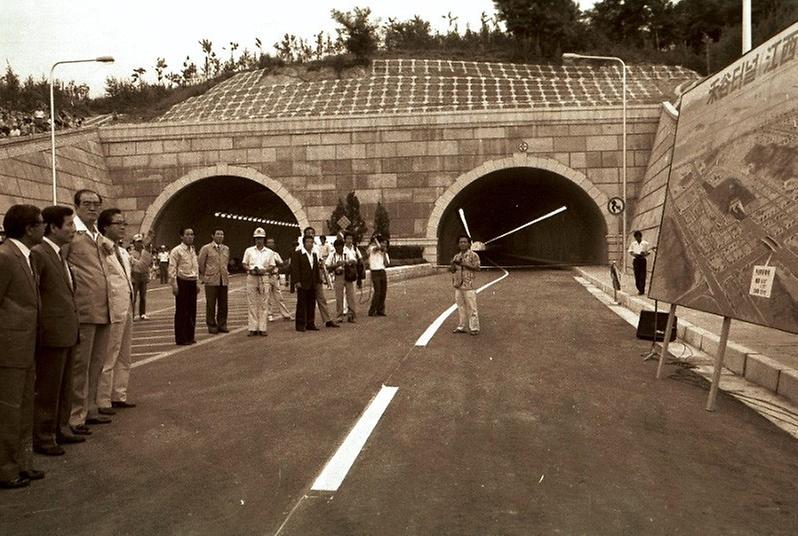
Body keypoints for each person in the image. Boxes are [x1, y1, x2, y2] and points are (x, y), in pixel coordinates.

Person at [30, 206, 83, 457]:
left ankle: (61, 427)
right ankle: (43, 435)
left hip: (67, 330)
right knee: (49, 387)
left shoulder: (59, 254)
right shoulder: (40, 254)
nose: (73, 229)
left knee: (64, 384)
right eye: (69, 224)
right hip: (52, 332)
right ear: (53, 227)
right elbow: (35, 294)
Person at [0, 205, 45, 489]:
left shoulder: (25, 256)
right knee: (8, 410)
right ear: (29, 229)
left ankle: (22, 462)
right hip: (9, 348)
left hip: (25, 346)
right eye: (40, 223)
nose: (44, 228)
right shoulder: (5, 257)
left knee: (24, 406)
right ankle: (6, 469)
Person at [67, 189, 112, 433]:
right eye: (87, 204)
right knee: (80, 365)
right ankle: (75, 416)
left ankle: (91, 408)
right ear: (76, 206)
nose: (92, 208)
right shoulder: (72, 234)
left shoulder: (96, 235)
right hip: (83, 307)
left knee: (96, 362)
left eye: (96, 204)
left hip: (103, 307)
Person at [96, 209, 136, 415]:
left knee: (124, 354)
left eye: (124, 224)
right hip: (112, 309)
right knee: (109, 355)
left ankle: (119, 394)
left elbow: (138, 270)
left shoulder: (122, 251)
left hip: (127, 306)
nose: (122, 227)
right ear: (105, 227)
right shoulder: (100, 249)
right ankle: (103, 400)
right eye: (117, 223)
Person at [297, 227, 338, 328]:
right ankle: (305, 322)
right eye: (309, 233)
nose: (311, 234)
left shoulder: (317, 248)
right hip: (305, 277)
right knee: (306, 301)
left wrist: (323, 274)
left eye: (313, 233)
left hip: (316, 275)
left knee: (321, 298)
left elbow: (320, 262)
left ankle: (327, 319)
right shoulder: (299, 249)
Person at [169, 228, 199, 345]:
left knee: (192, 310)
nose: (190, 237)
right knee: (182, 311)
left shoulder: (192, 250)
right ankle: (181, 337)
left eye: (192, 234)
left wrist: (197, 282)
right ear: (181, 236)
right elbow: (172, 268)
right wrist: (174, 285)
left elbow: (195, 267)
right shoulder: (177, 251)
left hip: (192, 281)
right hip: (182, 281)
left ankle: (190, 336)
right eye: (187, 234)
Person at [242, 227, 274, 336]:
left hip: (264, 277)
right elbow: (244, 264)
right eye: (256, 238)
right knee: (252, 303)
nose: (258, 240)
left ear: (264, 239)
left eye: (260, 238)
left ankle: (262, 328)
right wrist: (250, 270)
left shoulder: (269, 252)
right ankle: (252, 328)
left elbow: (272, 266)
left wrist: (264, 270)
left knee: (263, 303)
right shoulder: (249, 250)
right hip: (252, 277)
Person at [197, 228, 229, 334]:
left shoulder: (226, 249)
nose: (220, 236)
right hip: (211, 280)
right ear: (213, 236)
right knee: (211, 304)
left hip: (223, 280)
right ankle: (211, 325)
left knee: (223, 304)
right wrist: (204, 276)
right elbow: (201, 263)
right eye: (218, 234)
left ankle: (222, 324)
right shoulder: (206, 248)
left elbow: (226, 263)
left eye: (222, 234)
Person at [450, 235, 481, 336]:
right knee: (460, 306)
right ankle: (461, 326)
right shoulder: (456, 256)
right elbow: (453, 270)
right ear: (458, 244)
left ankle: (474, 328)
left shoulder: (473, 255)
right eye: (460, 242)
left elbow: (477, 268)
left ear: (469, 244)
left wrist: (464, 264)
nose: (462, 244)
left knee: (472, 307)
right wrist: (452, 265)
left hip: (469, 284)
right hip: (458, 284)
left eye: (464, 242)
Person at [326, 238, 361, 323]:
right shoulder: (332, 255)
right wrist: (335, 265)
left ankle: (351, 315)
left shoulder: (347, 252)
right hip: (338, 275)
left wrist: (346, 262)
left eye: (340, 247)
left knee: (350, 296)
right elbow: (327, 266)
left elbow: (354, 261)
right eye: (337, 247)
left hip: (347, 275)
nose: (339, 249)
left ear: (343, 247)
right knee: (339, 297)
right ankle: (339, 315)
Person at [291, 235, 320, 332]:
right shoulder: (298, 254)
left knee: (311, 303)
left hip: (312, 283)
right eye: (308, 242)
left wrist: (318, 280)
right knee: (301, 304)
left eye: (311, 242)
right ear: (304, 243)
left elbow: (315, 269)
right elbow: (295, 269)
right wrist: (297, 281)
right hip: (302, 282)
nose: (310, 244)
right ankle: (300, 324)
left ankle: (310, 323)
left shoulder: (314, 255)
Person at [265, 237, 292, 322]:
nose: (270, 244)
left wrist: (283, 263)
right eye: (269, 243)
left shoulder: (276, 254)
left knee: (279, 297)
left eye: (272, 243)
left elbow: (281, 265)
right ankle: (269, 314)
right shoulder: (263, 254)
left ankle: (286, 314)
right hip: (266, 276)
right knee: (268, 297)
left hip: (275, 276)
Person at [129, 234, 152, 320]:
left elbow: (147, 265)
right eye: (137, 242)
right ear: (134, 243)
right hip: (135, 275)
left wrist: (147, 275)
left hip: (143, 275)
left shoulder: (145, 253)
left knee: (143, 296)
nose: (139, 243)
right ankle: (132, 314)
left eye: (140, 242)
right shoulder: (131, 253)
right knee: (133, 297)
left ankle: (142, 313)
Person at [367, 233, 390, 317]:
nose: (384, 245)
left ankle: (380, 310)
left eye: (385, 243)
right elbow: (376, 248)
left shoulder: (384, 253)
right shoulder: (372, 248)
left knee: (383, 292)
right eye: (383, 243)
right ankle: (372, 310)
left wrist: (384, 253)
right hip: (375, 272)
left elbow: (386, 263)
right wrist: (377, 242)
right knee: (377, 291)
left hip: (382, 271)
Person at [628, 230, 654, 295]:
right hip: (636, 260)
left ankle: (642, 290)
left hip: (642, 260)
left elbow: (649, 252)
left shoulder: (645, 243)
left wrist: (644, 254)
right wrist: (634, 254)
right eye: (636, 237)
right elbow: (630, 251)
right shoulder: (633, 244)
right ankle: (639, 287)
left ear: (640, 236)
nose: (637, 238)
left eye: (638, 237)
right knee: (637, 275)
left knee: (643, 275)